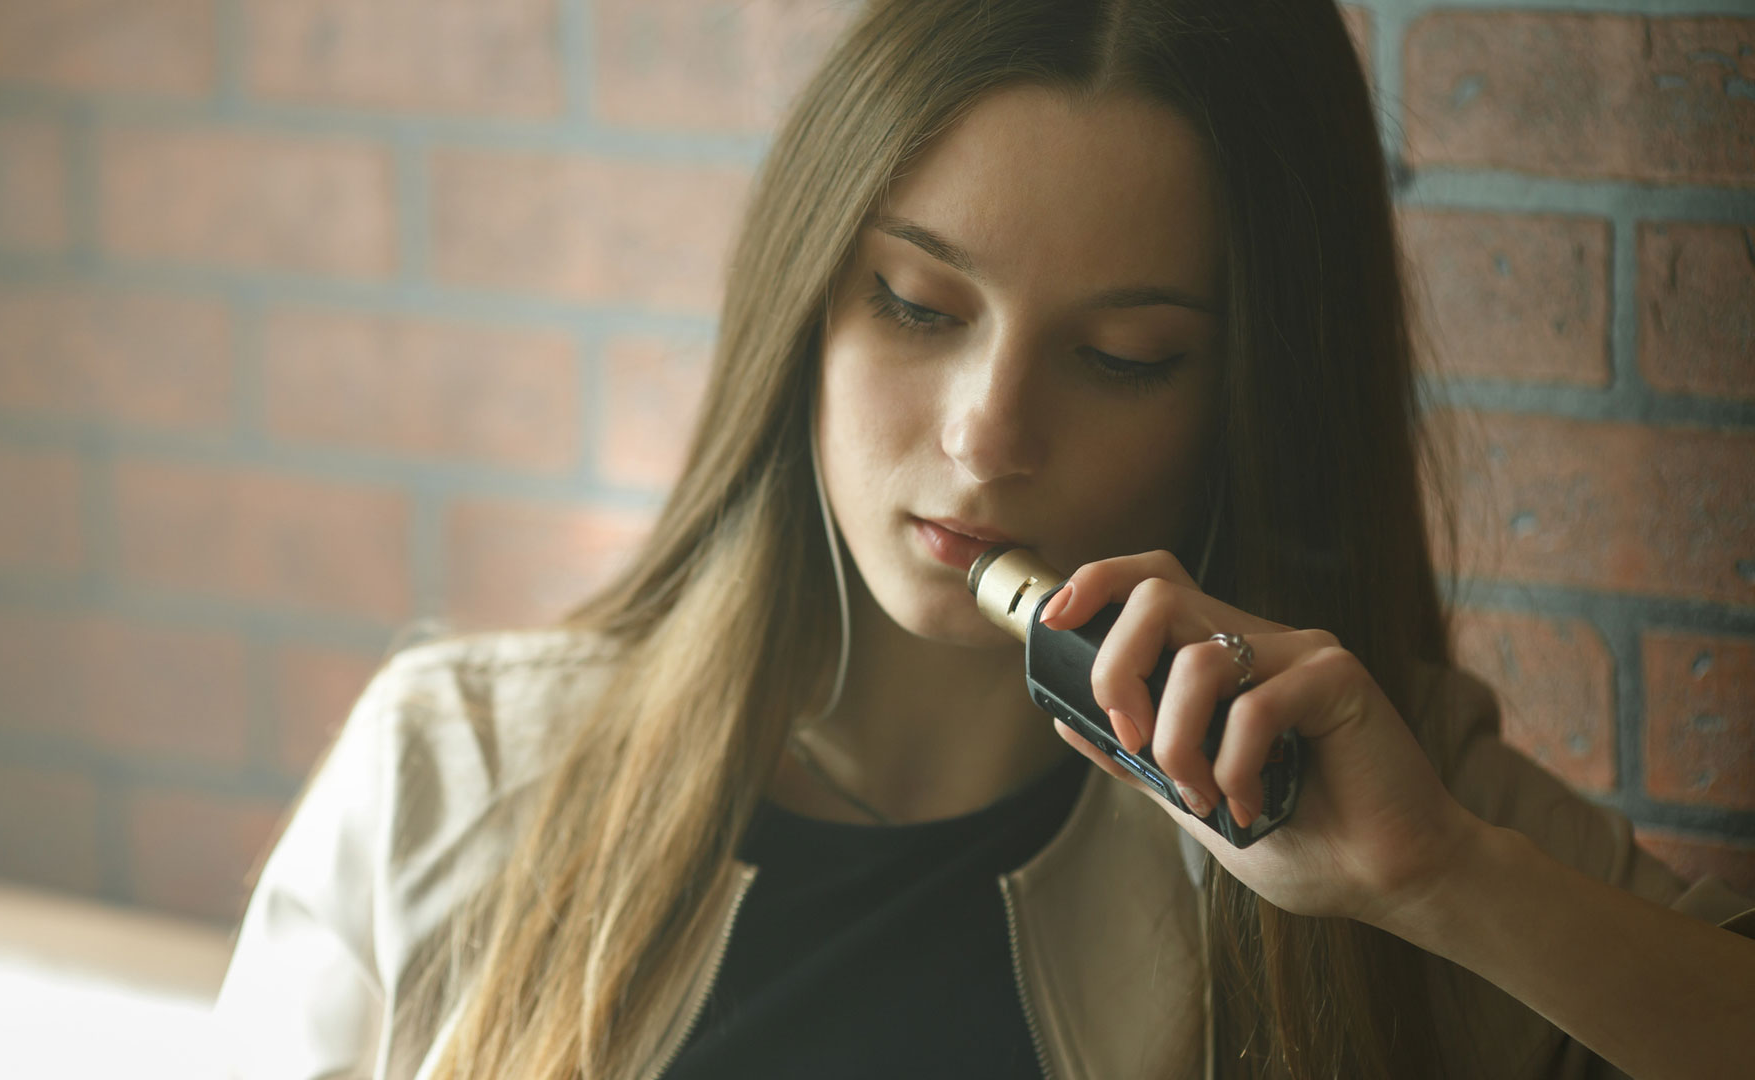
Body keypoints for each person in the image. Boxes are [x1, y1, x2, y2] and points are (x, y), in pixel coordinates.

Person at [210, 1, 1755, 1077]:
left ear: (1242, 397)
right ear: (803, 303)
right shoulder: (457, 770)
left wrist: (1441, 887)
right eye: (916, 305)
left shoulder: (1384, 803)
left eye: (1124, 355)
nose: (987, 435)